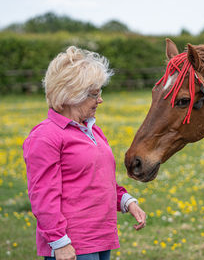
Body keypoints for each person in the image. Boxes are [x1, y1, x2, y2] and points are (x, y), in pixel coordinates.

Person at [23, 46, 146, 260]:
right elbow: (43, 195)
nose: (100, 100)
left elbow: (99, 178)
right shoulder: (45, 136)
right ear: (71, 94)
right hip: (71, 244)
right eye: (94, 94)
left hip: (100, 237)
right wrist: (59, 242)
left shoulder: (92, 130)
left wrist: (126, 201)